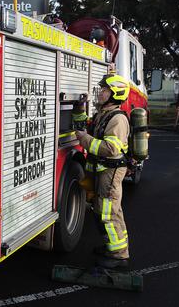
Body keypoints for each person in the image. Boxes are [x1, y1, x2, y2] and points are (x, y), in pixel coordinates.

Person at [74, 74, 131, 269]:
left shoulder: (117, 119)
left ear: (115, 94)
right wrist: (79, 109)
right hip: (104, 170)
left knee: (107, 212)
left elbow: (110, 148)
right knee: (110, 210)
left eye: (105, 90)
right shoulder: (103, 114)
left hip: (111, 170)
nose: (101, 92)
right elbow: (87, 128)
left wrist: (84, 140)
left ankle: (118, 256)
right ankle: (113, 247)